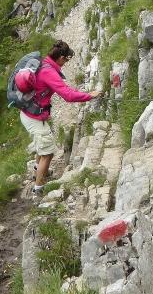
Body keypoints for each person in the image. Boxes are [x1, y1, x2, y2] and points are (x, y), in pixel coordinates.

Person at [19, 40, 100, 196]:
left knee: (43, 145)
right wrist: (89, 95)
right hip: (33, 117)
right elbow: (68, 95)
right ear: (61, 57)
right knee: (48, 153)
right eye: (66, 60)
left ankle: (37, 172)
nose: (66, 63)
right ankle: (38, 190)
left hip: (29, 112)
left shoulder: (43, 63)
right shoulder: (49, 72)